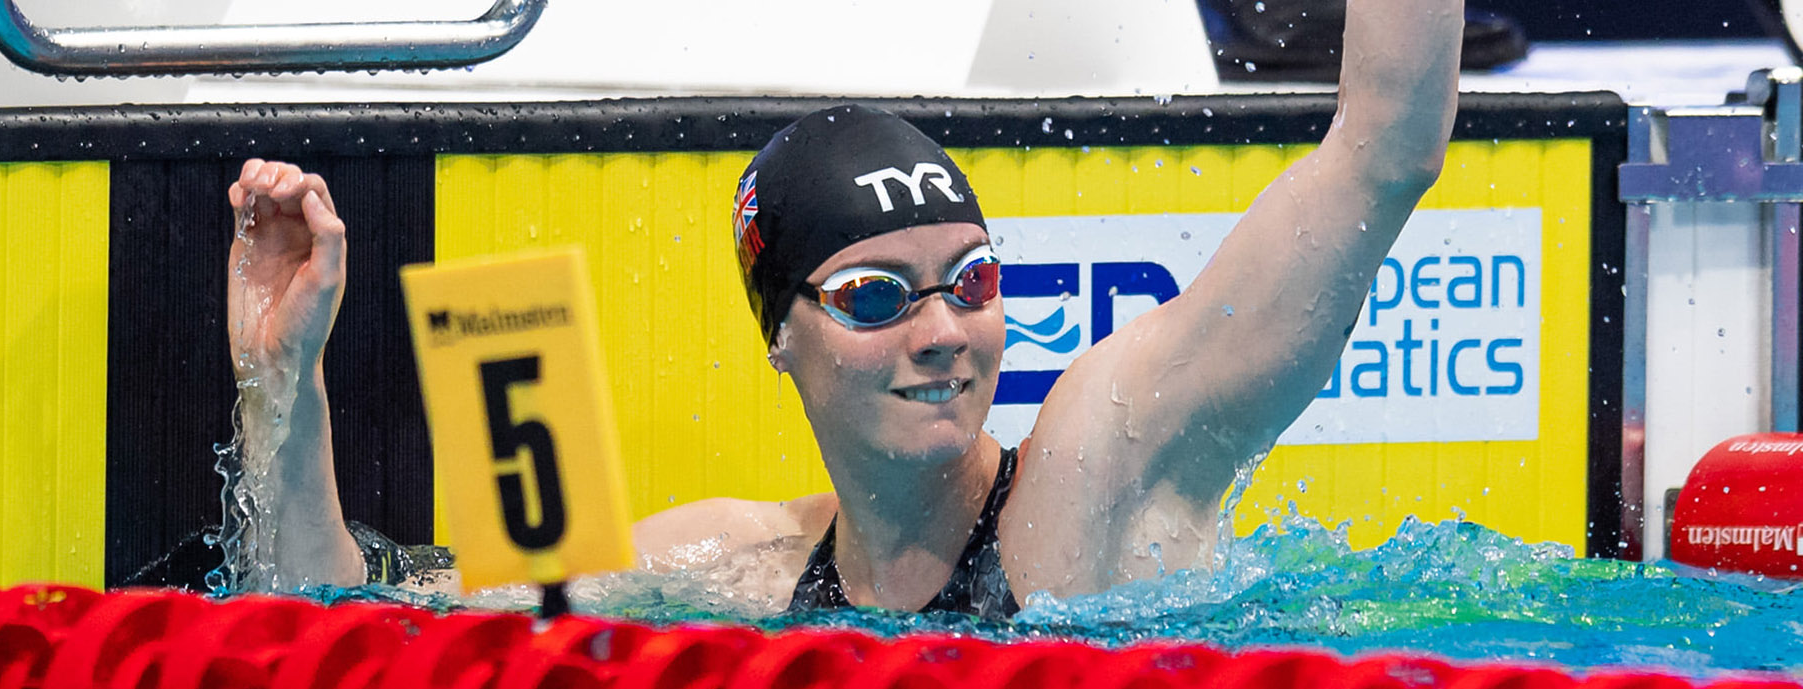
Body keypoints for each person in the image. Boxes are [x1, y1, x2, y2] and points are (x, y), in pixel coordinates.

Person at [226, 0, 1462, 618]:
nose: (942, 331)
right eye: (876, 294)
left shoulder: (1093, 482)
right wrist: (284, 376)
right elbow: (346, 613)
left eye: (970, 280)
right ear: (781, 332)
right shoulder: (740, 565)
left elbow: (1384, 151)